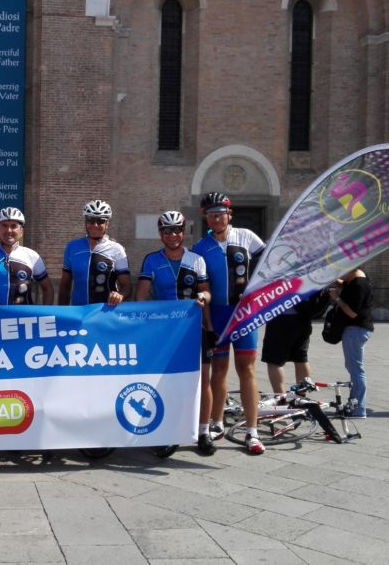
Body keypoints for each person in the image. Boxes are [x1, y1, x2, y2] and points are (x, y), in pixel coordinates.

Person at [192, 192, 267, 454]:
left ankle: (252, 431)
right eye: (211, 214)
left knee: (246, 369)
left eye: (220, 213)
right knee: (219, 370)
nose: (216, 218)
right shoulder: (200, 247)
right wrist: (206, 322)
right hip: (219, 315)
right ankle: (217, 422)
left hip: (245, 313)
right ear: (206, 217)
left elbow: (270, 262)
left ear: (229, 214)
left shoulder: (247, 236)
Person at [135, 211, 215, 454]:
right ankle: (171, 431)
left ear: (184, 232)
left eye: (178, 229)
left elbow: (207, 292)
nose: (173, 234)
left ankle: (204, 430)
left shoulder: (197, 260)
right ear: (160, 234)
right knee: (169, 382)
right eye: (168, 230)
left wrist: (204, 302)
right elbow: (141, 296)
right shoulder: (151, 260)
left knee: (202, 380)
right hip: (166, 331)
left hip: (194, 328)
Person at [0, 207, 54, 306]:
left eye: (13, 226)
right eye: (4, 226)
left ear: (21, 231)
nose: (9, 230)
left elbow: (48, 288)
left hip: (25, 319)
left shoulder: (32, 256)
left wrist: (45, 314)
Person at [58, 200, 131, 307]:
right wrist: (62, 313)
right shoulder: (72, 247)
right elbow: (65, 286)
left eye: (100, 221)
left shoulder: (117, 249)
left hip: (105, 313)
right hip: (79, 313)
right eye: (90, 220)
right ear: (85, 222)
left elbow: (127, 286)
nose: (95, 225)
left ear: (107, 224)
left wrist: (120, 295)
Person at [327, 267, 373, 418]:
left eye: (341, 270)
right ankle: (355, 405)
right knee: (353, 367)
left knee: (356, 369)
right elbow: (344, 284)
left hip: (355, 329)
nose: (339, 275)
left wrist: (337, 299)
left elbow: (353, 312)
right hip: (358, 329)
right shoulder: (356, 280)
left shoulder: (358, 284)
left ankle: (358, 409)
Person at [261, 293, 328, 394]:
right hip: (303, 317)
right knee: (301, 358)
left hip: (281, 316)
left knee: (274, 362)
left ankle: (281, 398)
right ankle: (301, 398)